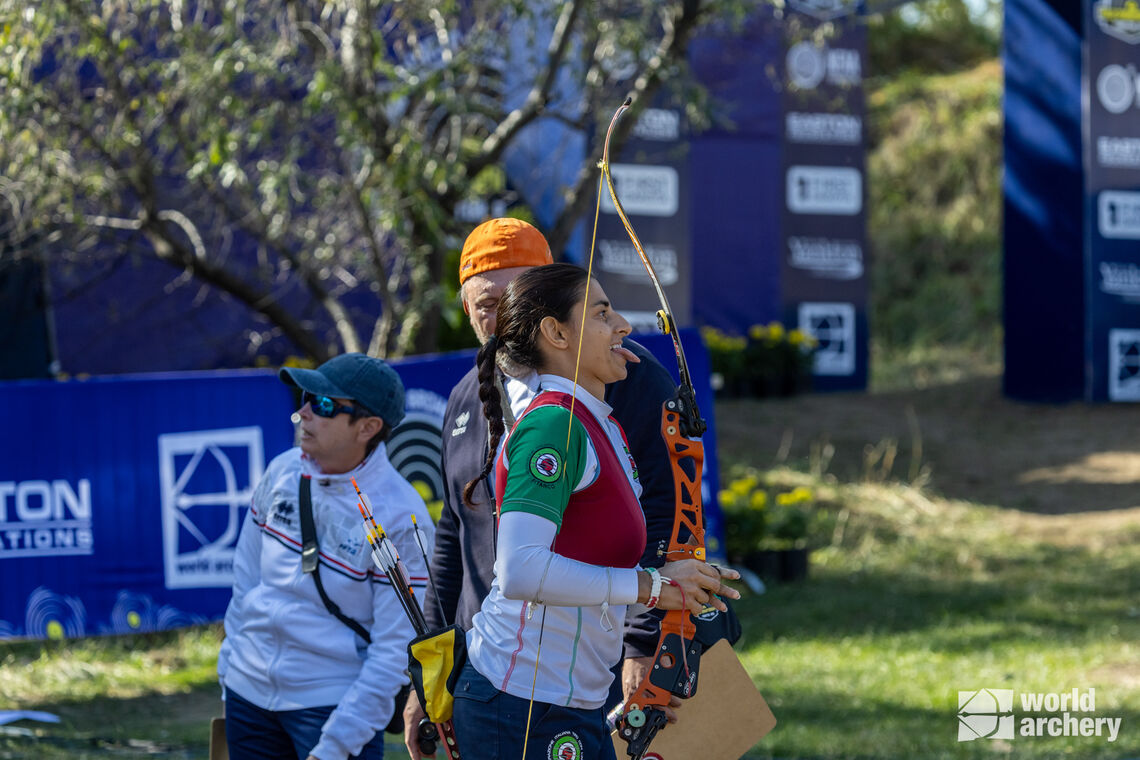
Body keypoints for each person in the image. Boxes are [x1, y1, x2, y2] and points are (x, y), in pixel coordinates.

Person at [403, 218, 680, 758]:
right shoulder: (469, 400)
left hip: (592, 668)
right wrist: (426, 677)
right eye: (489, 304)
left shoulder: (620, 376)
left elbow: (666, 507)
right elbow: (456, 537)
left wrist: (644, 641)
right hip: (509, 676)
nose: (508, 316)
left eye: (522, 295)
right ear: (468, 312)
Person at [449, 263, 740, 759]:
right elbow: (520, 570)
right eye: (602, 314)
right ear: (556, 333)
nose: (622, 325)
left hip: (567, 698)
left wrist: (668, 582)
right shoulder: (553, 427)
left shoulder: (598, 422)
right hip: (519, 700)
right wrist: (651, 587)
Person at [218, 353, 434, 760]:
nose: (303, 413)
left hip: (332, 707)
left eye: (323, 404)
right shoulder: (282, 471)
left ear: (368, 427)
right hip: (248, 695)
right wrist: (230, 675)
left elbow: (393, 650)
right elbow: (245, 583)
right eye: (305, 398)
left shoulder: (400, 517)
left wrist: (334, 747)